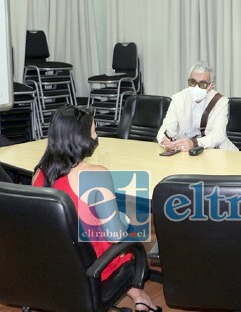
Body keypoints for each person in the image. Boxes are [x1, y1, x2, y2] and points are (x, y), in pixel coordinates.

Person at [32, 106, 160, 312]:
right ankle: (139, 296)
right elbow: (115, 236)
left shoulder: (39, 172)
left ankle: (139, 296)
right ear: (80, 139)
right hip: (88, 269)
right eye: (93, 131)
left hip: (52, 263)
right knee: (127, 234)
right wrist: (124, 219)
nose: (96, 136)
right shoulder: (95, 174)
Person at [156, 61, 238, 151]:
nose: (196, 87)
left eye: (202, 84)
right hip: (185, 151)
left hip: (215, 150)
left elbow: (218, 135)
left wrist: (194, 143)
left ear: (211, 86)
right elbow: (166, 129)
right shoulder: (178, 99)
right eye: (192, 82)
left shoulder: (221, 102)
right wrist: (164, 140)